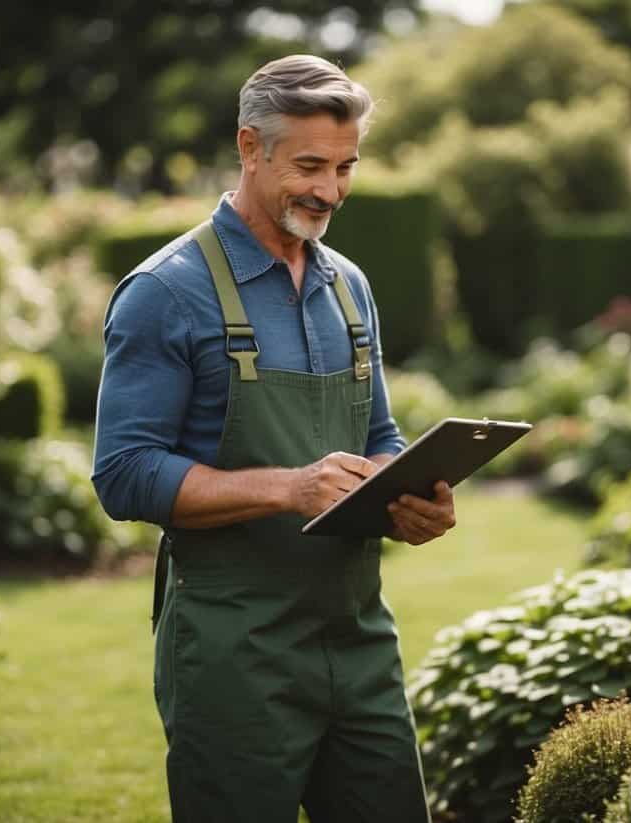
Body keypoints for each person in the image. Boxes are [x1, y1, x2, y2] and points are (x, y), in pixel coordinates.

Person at [91, 54, 457, 822]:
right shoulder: (164, 292)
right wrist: (288, 487)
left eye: (347, 167)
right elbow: (123, 473)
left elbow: (380, 432)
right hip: (233, 651)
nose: (330, 190)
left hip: (357, 638)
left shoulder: (349, 287)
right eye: (311, 165)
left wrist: (406, 492)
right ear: (250, 148)